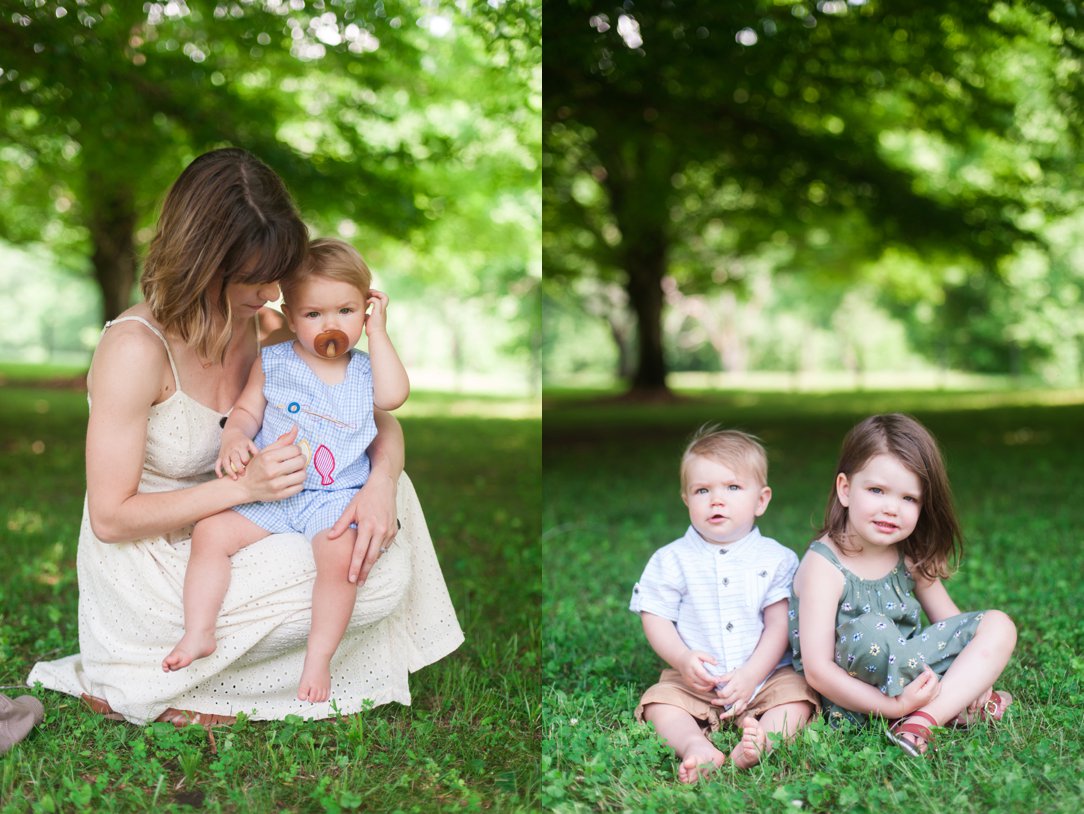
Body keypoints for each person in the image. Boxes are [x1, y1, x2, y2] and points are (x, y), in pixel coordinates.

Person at [27, 148, 463, 726]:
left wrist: (382, 481)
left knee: (382, 532)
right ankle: (171, 672)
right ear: (201, 260)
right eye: (251, 278)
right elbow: (110, 519)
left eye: (273, 276)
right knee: (369, 579)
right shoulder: (134, 349)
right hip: (154, 567)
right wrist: (244, 488)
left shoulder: (262, 326)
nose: (269, 293)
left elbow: (372, 418)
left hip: (253, 526)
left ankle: (230, 677)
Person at [162, 238, 411, 704]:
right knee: (211, 533)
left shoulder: (365, 370)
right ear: (291, 315)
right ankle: (199, 630)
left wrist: (379, 334)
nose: (330, 324)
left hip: (335, 495)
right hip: (274, 490)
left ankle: (318, 658)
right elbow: (246, 413)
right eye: (313, 314)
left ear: (366, 310)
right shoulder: (273, 362)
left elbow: (394, 398)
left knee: (340, 559)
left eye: (346, 311)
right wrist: (236, 437)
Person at [788, 413, 1016, 756]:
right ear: (845, 489)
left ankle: (924, 717)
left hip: (912, 670)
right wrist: (892, 705)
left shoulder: (910, 554)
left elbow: (950, 622)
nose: (891, 508)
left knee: (998, 624)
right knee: (871, 630)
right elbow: (818, 672)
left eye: (909, 498)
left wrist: (980, 675)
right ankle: (938, 706)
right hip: (855, 696)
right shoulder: (824, 565)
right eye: (877, 490)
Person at [630, 427, 819, 782]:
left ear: (761, 500)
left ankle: (763, 740)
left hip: (765, 675)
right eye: (703, 490)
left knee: (797, 696)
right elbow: (655, 617)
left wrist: (751, 675)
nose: (716, 500)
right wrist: (683, 660)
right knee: (660, 702)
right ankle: (695, 746)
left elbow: (779, 624)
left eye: (732, 488)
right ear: (686, 498)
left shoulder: (777, 558)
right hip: (694, 680)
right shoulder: (671, 559)